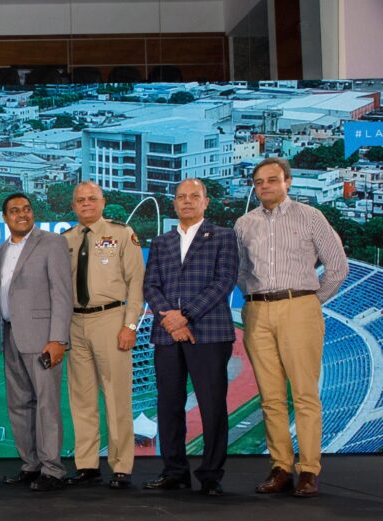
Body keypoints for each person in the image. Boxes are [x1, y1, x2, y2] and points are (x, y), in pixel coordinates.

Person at [235, 157, 348, 498]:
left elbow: (337, 266)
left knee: (304, 394)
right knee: (270, 397)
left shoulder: (310, 216)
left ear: (288, 182)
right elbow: (240, 271)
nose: (265, 186)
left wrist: (310, 302)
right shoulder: (244, 224)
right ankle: (281, 467)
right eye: (259, 182)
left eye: (272, 179)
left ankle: (309, 470)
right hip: (257, 310)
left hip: (299, 306)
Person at [142, 179, 239, 496]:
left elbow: (224, 281)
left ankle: (211, 475)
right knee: (168, 405)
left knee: (212, 406)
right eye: (181, 196)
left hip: (209, 333)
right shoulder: (162, 242)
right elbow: (150, 286)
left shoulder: (223, 236)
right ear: (174, 203)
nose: (187, 201)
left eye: (194, 196)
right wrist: (171, 320)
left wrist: (185, 315)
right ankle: (174, 472)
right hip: (167, 334)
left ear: (205, 202)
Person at [63, 181, 145, 490]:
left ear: (103, 202)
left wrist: (130, 325)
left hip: (111, 319)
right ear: (73, 206)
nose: (86, 204)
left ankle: (121, 466)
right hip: (75, 322)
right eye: (80, 200)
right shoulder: (66, 239)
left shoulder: (122, 234)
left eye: (92, 198)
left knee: (116, 397)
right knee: (82, 399)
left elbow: (136, 283)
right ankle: (86, 465)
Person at [0, 193, 73, 492]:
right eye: (15, 210)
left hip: (42, 339)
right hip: (11, 335)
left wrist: (58, 339)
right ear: (5, 217)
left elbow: (62, 294)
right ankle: (31, 465)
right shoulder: (2, 250)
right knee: (18, 404)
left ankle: (52, 469)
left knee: (46, 405)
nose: (22, 214)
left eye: (26, 209)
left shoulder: (52, 243)